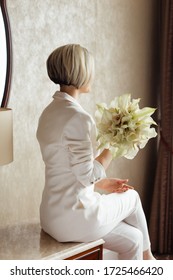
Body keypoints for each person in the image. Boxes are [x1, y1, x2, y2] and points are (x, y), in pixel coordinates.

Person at [36, 44, 155, 260]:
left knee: (134, 239)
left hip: (51, 216)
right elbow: (87, 175)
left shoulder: (48, 113)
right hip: (76, 218)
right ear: (80, 72)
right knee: (133, 197)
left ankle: (143, 261)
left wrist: (102, 184)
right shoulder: (79, 118)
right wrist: (115, 142)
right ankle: (151, 260)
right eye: (90, 69)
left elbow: (69, 169)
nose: (93, 75)